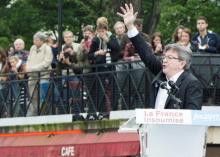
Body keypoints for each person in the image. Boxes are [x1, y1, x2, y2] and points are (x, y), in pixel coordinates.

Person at [117, 3, 202, 109]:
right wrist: (130, 26)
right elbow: (146, 53)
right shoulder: (161, 73)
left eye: (169, 58)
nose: (164, 60)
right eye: (164, 57)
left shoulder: (192, 83)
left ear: (182, 63)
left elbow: (192, 117)